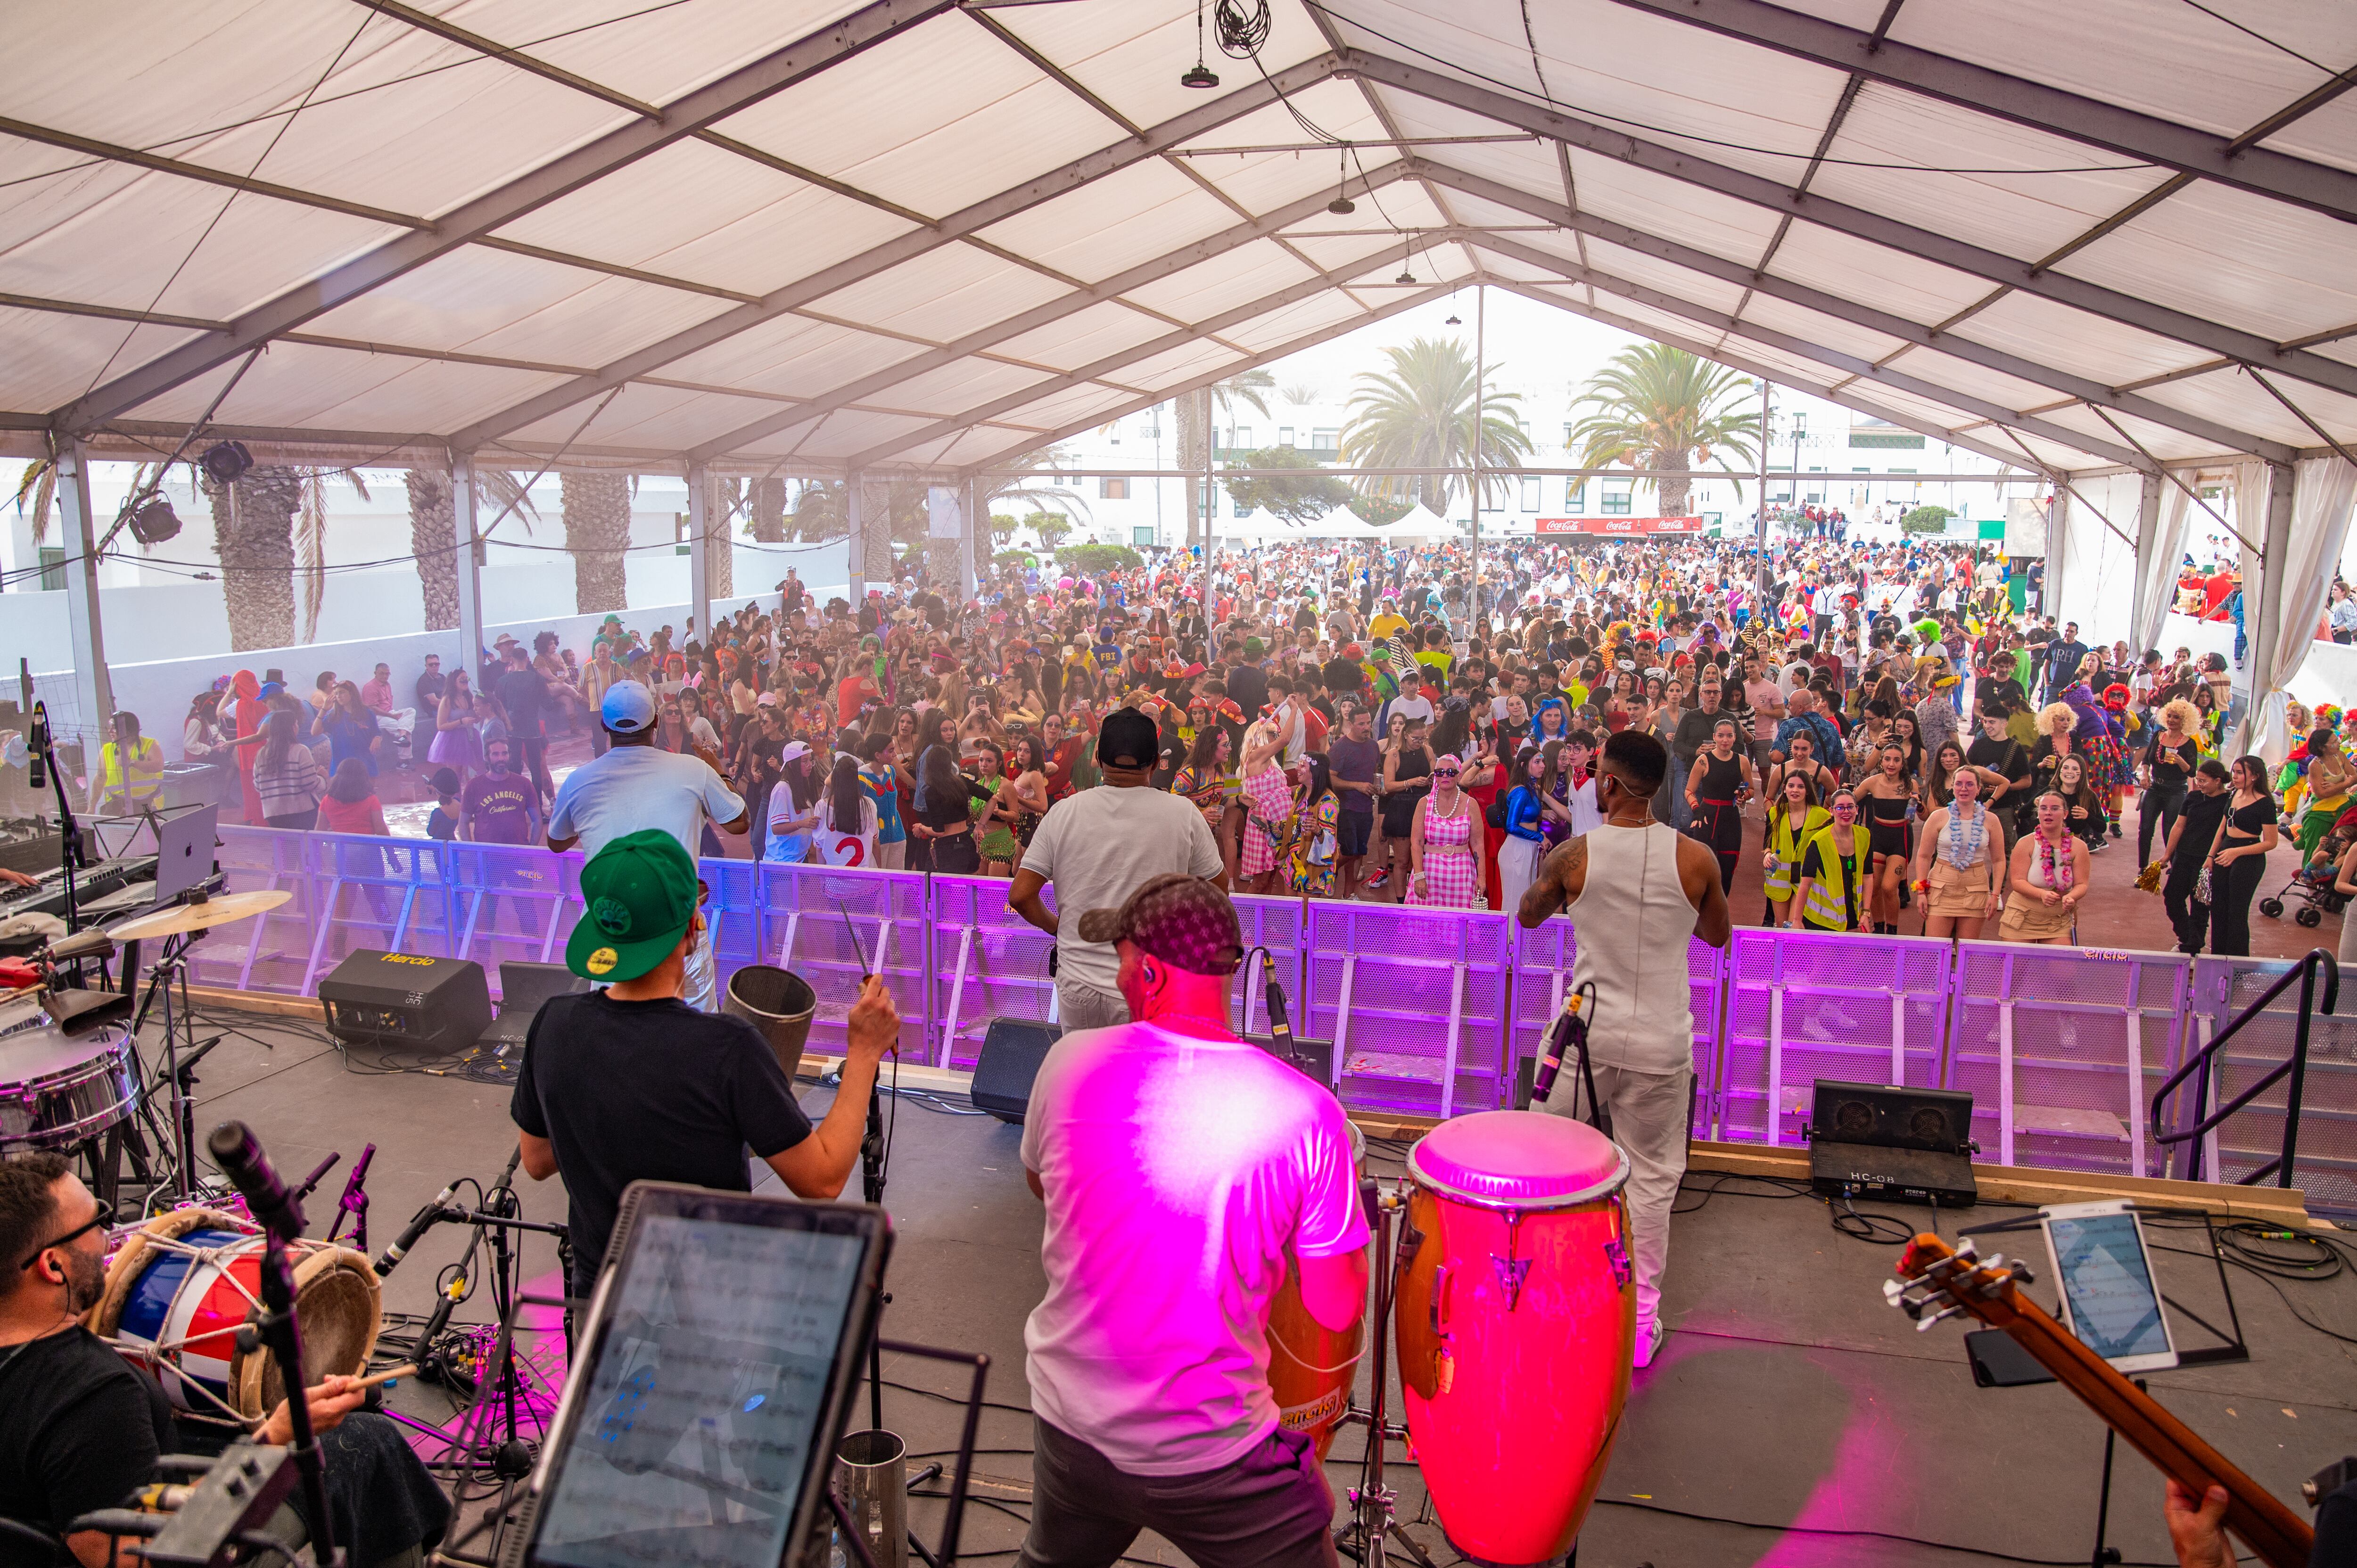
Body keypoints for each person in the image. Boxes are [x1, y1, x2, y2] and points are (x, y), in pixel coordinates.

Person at [1015, 874, 1367, 1568]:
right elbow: (1336, 1304)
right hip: (1218, 1458)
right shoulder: (1304, 1111)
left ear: (1147, 969)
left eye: (1120, 958)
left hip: (1072, 1433)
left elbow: (1042, 1183)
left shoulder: (1066, 1063)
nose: (1118, 976)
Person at [0, 1152, 450, 1568]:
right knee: (363, 1442)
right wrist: (275, 1437)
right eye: (97, 1221)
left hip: (57, 1505)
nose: (108, 1234)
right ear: (53, 1266)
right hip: (164, 1548)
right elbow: (124, 1555)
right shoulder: (93, 1394)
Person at [514, 831, 898, 1300]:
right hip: (706, 1313)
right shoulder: (726, 1048)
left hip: (600, 1304)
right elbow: (821, 1180)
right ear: (692, 930)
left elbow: (536, 1160)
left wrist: (619, 1119)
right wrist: (862, 1053)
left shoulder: (554, 1023)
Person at [1515, 731, 1731, 1369]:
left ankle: (1529, 1295)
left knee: (1547, 1159)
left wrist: (1562, 878)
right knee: (1654, 1178)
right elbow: (1718, 934)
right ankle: (1639, 1324)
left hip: (1588, 1034)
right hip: (1663, 1038)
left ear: (1608, 783)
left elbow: (1528, 915)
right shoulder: (1696, 859)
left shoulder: (1576, 855)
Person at [1009, 708, 1225, 1030]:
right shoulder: (1184, 813)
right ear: (1155, 763)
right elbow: (1218, 896)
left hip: (1079, 984)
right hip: (1150, 987)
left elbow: (1021, 894)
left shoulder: (1065, 812)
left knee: (1087, 1079)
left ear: (1098, 757)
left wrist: (1059, 928)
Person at [545, 682, 749, 1011]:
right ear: (656, 724)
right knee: (697, 1031)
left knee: (617, 1028)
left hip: (613, 929)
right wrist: (718, 770)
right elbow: (739, 822)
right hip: (679, 929)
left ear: (604, 727)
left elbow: (557, 841)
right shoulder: (693, 770)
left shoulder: (578, 781)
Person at [1912, 763, 2000, 940]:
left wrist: (1995, 894)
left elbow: (1999, 861)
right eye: (1959, 784)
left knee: (1966, 951)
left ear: (1978, 789)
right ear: (1953, 787)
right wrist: (1921, 892)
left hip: (1975, 887)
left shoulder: (1991, 820)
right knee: (1936, 950)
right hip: (1942, 885)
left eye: (1970, 784)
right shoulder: (1938, 817)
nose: (1964, 789)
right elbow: (1923, 856)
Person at [2206, 756, 2279, 958]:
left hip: (2248, 856)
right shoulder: (2233, 794)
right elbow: (2222, 829)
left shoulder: (2265, 803)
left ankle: (2237, 961)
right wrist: (2211, 856)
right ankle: (2218, 957)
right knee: (2218, 909)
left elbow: (2271, 842)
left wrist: (2236, 852)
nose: (2235, 777)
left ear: (2255, 776)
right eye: (2235, 772)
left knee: (2236, 912)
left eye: (2240, 773)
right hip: (2225, 852)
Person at [2000, 793, 2089, 945]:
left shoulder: (2079, 847)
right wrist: (2041, 894)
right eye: (2043, 808)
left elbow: (2082, 884)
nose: (2048, 812)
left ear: (2065, 814)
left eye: (2055, 809)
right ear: (2038, 813)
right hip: (2023, 915)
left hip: (2058, 918)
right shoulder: (2025, 843)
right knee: (2015, 969)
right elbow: (2018, 881)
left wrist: (2071, 897)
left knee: (2062, 968)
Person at [2162, 761, 2232, 954]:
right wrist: (2168, 854)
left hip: (2207, 861)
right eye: (2198, 780)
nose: (2199, 784)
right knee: (2172, 898)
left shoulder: (2229, 801)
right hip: (2183, 856)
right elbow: (2178, 826)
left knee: (2200, 906)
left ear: (2218, 781)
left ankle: (2192, 946)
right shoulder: (2193, 797)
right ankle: (2186, 937)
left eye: (2204, 781)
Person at [1406, 752, 1485, 909]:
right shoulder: (1424, 803)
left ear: (1458, 775)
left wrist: (1481, 877)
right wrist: (1419, 877)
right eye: (1440, 772)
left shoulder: (1471, 804)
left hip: (1462, 875)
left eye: (1451, 772)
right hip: (1429, 875)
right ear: (1435, 776)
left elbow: (1478, 844)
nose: (1445, 776)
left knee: (1460, 926)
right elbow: (1416, 843)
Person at [1682, 716, 1752, 894]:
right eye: (1721, 736)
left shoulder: (1742, 761)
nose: (1725, 740)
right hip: (1707, 818)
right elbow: (1689, 791)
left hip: (1731, 819)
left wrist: (1744, 796)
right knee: (1704, 868)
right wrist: (1696, 810)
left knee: (1728, 869)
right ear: (1714, 737)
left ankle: (1720, 911)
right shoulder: (1703, 761)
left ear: (1735, 737)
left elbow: (1751, 789)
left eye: (1729, 736)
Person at [1793, 791, 1870, 934]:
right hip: (1821, 921)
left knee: (1855, 957)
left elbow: (1868, 876)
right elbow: (1806, 884)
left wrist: (1866, 912)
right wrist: (1797, 920)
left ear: (1857, 810)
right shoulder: (1819, 841)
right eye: (1840, 808)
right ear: (1832, 811)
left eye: (1850, 807)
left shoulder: (1865, 835)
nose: (1846, 812)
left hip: (1854, 918)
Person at [1761, 769, 1828, 928]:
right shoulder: (1775, 813)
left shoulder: (1823, 817)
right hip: (1779, 879)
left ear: (1808, 791)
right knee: (1781, 925)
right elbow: (1767, 843)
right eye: (1791, 786)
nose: (1795, 790)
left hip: (1806, 880)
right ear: (1784, 789)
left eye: (1801, 787)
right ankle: (1781, 954)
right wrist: (1768, 854)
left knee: (1794, 927)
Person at [1328, 705, 1380, 899]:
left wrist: (1376, 787)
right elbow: (1330, 779)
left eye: (1368, 723)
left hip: (1366, 807)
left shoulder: (1373, 746)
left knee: (1358, 852)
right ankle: (1326, 873)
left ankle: (1348, 893)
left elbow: (1372, 772)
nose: (1367, 727)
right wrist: (1357, 786)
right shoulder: (1340, 748)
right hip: (1346, 807)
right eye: (1361, 724)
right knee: (1349, 851)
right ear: (1350, 724)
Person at [460, 736, 541, 845]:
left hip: (519, 854)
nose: (501, 758)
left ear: (509, 755)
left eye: (504, 753)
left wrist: (532, 848)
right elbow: (463, 823)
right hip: (487, 855)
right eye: (495, 754)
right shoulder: (473, 786)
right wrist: (471, 851)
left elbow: (537, 819)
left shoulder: (524, 784)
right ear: (486, 757)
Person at [87, 712, 163, 815]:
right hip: (117, 806)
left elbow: (158, 766)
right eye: (110, 727)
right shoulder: (107, 750)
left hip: (147, 804)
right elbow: (100, 778)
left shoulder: (150, 744)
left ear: (128, 729)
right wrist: (92, 807)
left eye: (114, 728)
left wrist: (131, 763)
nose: (110, 731)